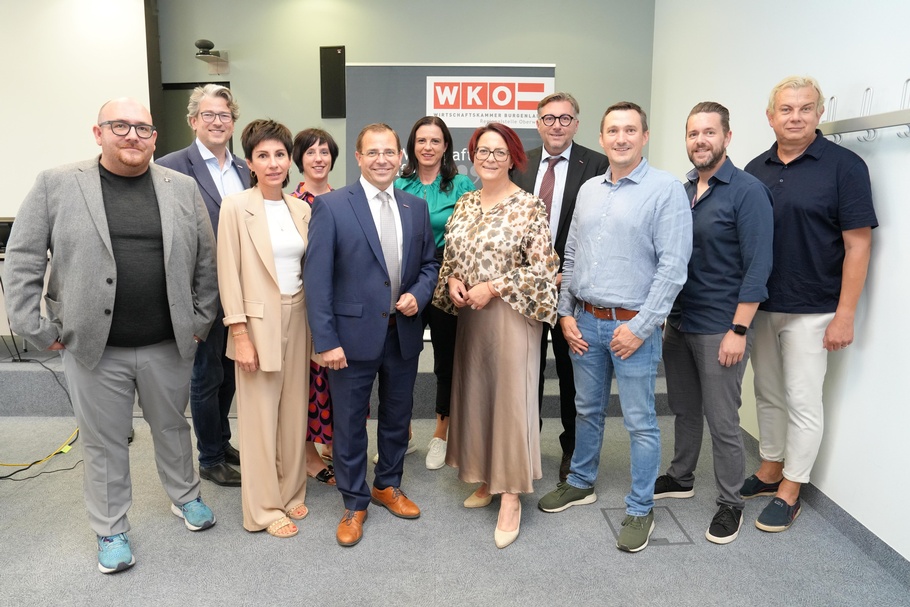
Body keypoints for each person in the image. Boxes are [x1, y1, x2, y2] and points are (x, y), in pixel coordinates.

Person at [4, 98, 219, 573]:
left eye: (142, 127)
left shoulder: (181, 188)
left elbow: (207, 260)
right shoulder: (57, 183)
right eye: (119, 125)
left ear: (155, 137)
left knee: (172, 427)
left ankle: (185, 496)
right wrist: (33, 326)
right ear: (98, 132)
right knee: (103, 441)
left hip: (169, 343)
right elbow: (23, 257)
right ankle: (111, 529)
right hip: (93, 347)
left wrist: (201, 321)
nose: (132, 136)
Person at [537, 102, 692, 554]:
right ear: (602, 139)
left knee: (641, 422)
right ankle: (581, 481)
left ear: (644, 136)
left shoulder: (666, 190)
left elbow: (673, 268)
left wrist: (642, 327)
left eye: (630, 130)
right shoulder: (588, 189)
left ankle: (640, 507)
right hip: (584, 321)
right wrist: (565, 313)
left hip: (631, 330)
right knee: (587, 410)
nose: (620, 138)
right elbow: (570, 256)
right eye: (613, 131)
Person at [742, 76, 877, 532]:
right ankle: (769, 467)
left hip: (815, 308)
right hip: (762, 305)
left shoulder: (845, 166)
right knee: (766, 392)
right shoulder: (755, 168)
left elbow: (858, 246)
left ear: (819, 114)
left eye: (805, 108)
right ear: (770, 116)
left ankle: (791, 489)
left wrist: (845, 314)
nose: (795, 116)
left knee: (802, 400)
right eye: (786, 109)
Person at [304, 123, 438, 547]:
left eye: (390, 151)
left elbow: (430, 264)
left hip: (403, 333)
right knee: (349, 423)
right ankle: (355, 502)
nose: (382, 159)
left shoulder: (414, 207)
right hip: (350, 338)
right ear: (359, 158)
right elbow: (317, 279)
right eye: (372, 152)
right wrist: (325, 340)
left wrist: (418, 293)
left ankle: (387, 485)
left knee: (399, 417)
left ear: (401, 157)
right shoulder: (333, 206)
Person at [434, 122, 559, 549]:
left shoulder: (528, 207)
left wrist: (495, 287)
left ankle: (511, 496)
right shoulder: (466, 203)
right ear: (473, 155)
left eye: (499, 152)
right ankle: (488, 478)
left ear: (513, 159)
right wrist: (453, 280)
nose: (490, 158)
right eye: (483, 151)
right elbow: (451, 258)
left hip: (511, 316)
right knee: (478, 397)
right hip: (472, 316)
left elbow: (542, 269)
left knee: (509, 402)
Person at [654, 101, 773, 545]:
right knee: (684, 408)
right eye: (692, 134)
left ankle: (730, 504)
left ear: (727, 137)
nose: (700, 141)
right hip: (681, 320)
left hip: (721, 326)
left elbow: (759, 268)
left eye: (709, 132)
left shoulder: (747, 191)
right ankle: (681, 476)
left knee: (723, 419)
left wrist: (738, 330)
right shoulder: (683, 190)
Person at [217, 119, 313, 538]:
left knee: (294, 410)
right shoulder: (236, 207)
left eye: (279, 154)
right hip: (256, 322)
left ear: (289, 159)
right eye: (263, 156)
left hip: (299, 314)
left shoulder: (300, 207)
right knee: (258, 418)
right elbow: (229, 272)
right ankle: (262, 508)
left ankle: (291, 492)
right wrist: (239, 333)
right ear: (250, 162)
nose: (273, 163)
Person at [157, 84, 249, 487]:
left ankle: (221, 440)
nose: (217, 122)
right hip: (201, 291)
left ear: (233, 122)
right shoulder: (170, 167)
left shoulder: (244, 169)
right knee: (205, 375)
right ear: (193, 120)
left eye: (224, 115)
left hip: (240, 290)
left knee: (230, 373)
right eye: (208, 115)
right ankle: (210, 457)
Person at [514, 92, 609, 482]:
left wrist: (565, 274)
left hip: (572, 288)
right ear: (538, 123)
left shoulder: (598, 164)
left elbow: (602, 229)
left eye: (565, 118)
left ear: (576, 123)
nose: (557, 125)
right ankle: (525, 447)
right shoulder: (520, 165)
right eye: (549, 118)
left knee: (573, 374)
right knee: (524, 371)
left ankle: (572, 450)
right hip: (524, 290)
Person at [395, 116, 476, 470]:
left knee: (446, 359)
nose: (428, 147)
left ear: (446, 147)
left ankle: (441, 433)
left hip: (448, 276)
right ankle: (404, 434)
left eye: (435, 141)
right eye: (421, 140)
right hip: (407, 279)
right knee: (401, 358)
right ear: (413, 146)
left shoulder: (460, 185)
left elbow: (472, 234)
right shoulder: (398, 183)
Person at [290, 127, 340, 485]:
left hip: (339, 307)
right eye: (310, 152)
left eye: (324, 152)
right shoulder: (287, 203)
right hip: (298, 305)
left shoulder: (345, 199)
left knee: (335, 378)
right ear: (299, 160)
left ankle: (334, 445)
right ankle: (308, 455)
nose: (319, 158)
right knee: (306, 383)